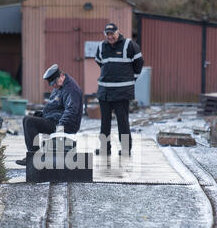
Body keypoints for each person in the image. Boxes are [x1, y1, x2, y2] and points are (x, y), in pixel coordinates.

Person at [16, 64, 83, 166]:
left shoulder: (71, 89)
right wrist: (43, 114)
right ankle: (33, 154)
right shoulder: (60, 86)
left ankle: (35, 157)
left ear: (61, 76)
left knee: (29, 121)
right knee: (29, 119)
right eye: (52, 84)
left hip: (64, 125)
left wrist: (60, 128)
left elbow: (71, 111)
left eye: (54, 83)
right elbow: (55, 105)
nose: (54, 86)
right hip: (55, 119)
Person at [95, 23, 144, 156]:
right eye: (108, 34)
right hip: (104, 92)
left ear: (118, 32)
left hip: (122, 92)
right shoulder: (101, 47)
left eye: (112, 33)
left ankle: (126, 149)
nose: (110, 36)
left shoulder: (130, 45)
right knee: (104, 123)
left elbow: (139, 63)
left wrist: (131, 79)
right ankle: (105, 148)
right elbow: (100, 63)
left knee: (122, 122)